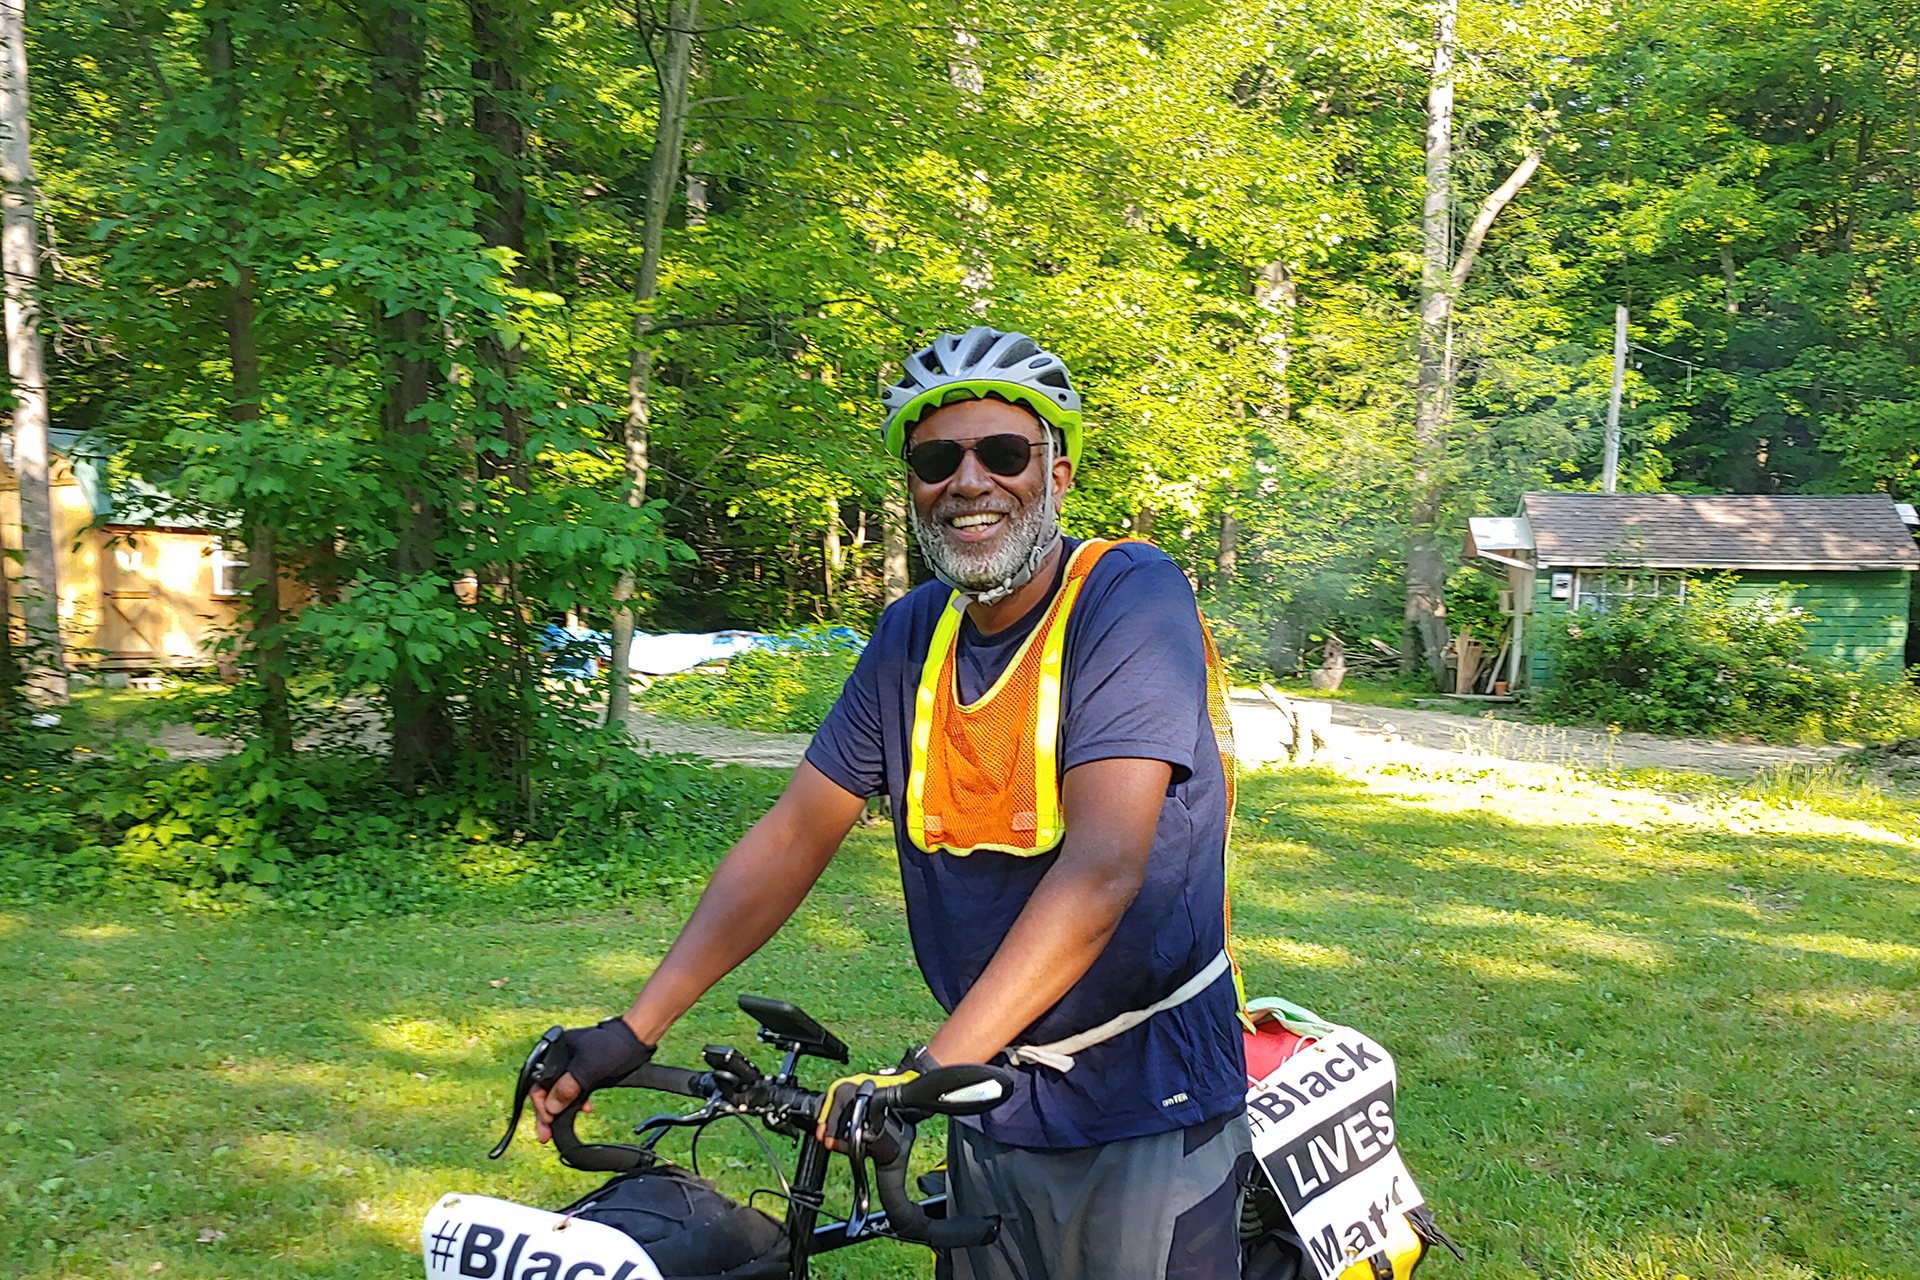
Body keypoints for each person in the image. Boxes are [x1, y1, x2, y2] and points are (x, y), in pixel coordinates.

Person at [532, 326, 1250, 1279]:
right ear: (912, 483)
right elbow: (795, 831)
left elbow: (1104, 868)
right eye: (936, 458)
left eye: (1003, 453)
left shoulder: (1127, 595)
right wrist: (636, 1026)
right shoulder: (913, 634)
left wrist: (922, 1070)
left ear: (1059, 475)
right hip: (987, 1091)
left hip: (1142, 1092)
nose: (969, 481)